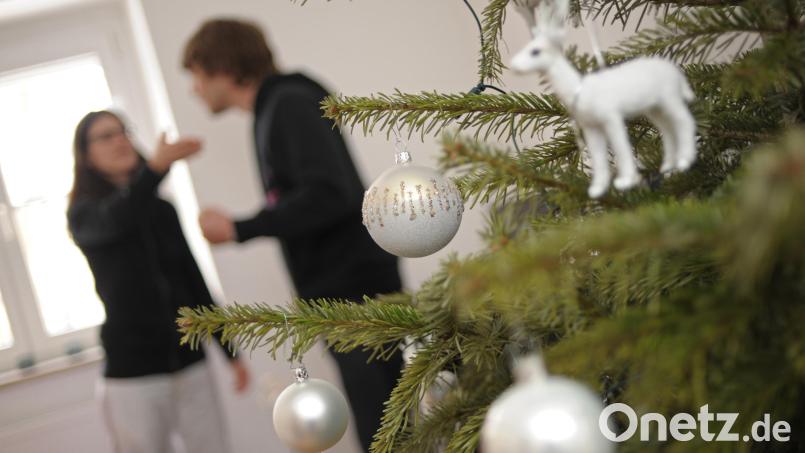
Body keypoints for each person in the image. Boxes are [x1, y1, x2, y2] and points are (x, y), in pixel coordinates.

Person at [182, 18, 404, 452]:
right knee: (388, 423)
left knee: (384, 428)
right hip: (348, 288)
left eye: (197, 75)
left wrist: (239, 228)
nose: (194, 89)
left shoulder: (287, 103)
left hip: (353, 292)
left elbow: (329, 194)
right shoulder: (277, 106)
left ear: (222, 68)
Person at [67, 110, 249, 453]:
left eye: (123, 131)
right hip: (132, 373)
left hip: (190, 362)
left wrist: (230, 351)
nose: (120, 140)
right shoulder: (84, 214)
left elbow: (193, 281)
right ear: (86, 155)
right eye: (106, 136)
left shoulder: (162, 210)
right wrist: (154, 169)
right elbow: (118, 218)